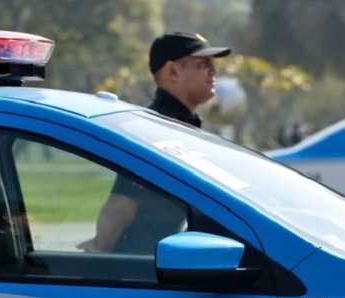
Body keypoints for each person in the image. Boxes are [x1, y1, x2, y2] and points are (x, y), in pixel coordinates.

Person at [77, 31, 231, 254]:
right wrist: (100, 250)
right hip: (140, 270)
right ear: (173, 71)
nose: (214, 72)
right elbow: (122, 205)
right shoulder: (154, 131)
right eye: (202, 64)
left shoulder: (180, 125)